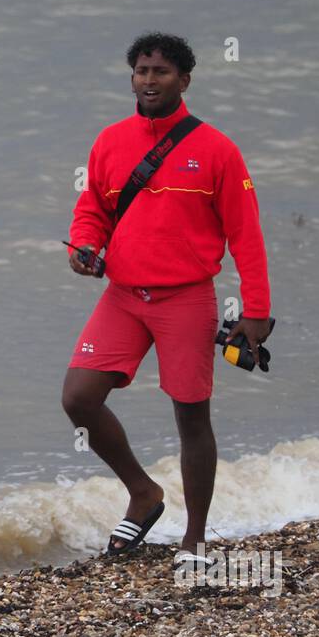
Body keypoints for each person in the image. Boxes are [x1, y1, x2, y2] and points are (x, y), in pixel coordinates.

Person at [62, 32, 273, 560]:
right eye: (141, 71)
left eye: (160, 72)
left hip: (186, 298)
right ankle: (144, 493)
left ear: (184, 80)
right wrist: (85, 247)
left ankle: (195, 537)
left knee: (191, 417)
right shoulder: (110, 141)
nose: (149, 81)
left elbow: (246, 235)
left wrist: (257, 311)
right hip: (124, 295)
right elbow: (92, 210)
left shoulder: (217, 149)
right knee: (79, 397)